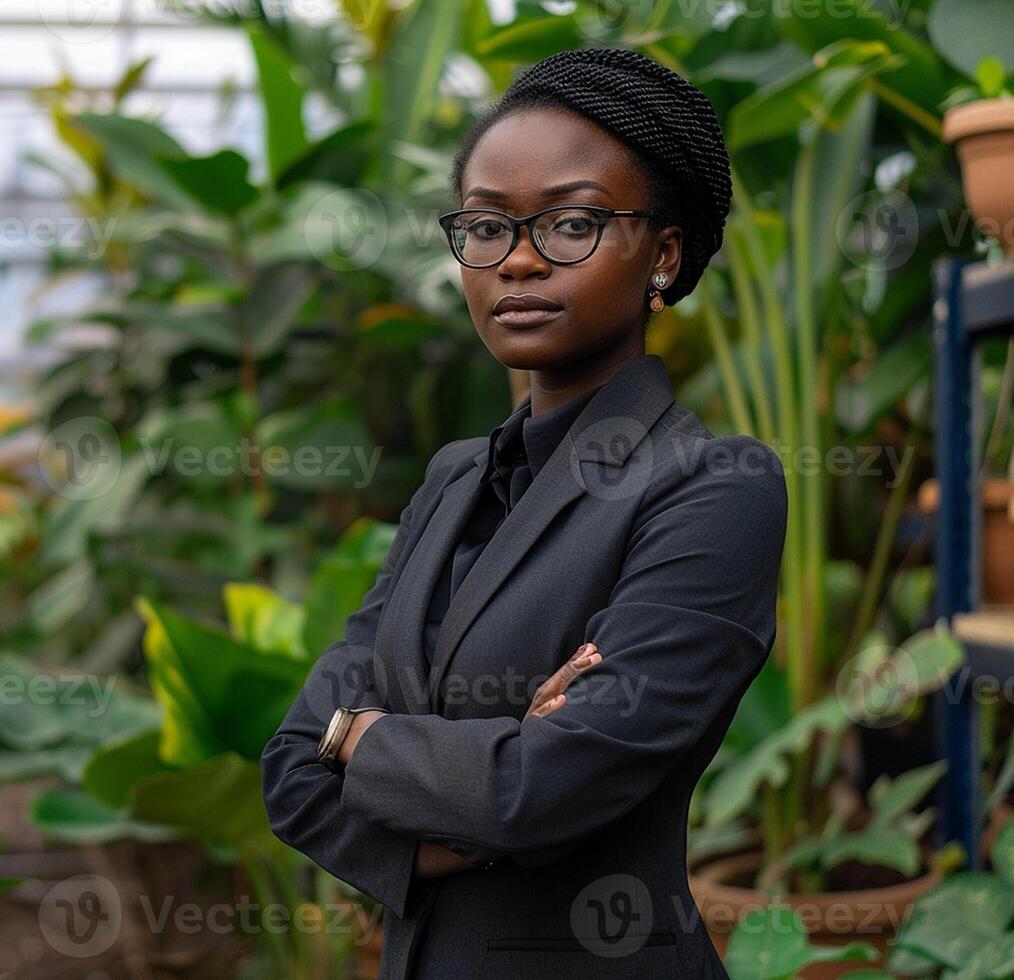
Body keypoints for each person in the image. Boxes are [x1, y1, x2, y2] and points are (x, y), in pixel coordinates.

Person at [262, 47, 787, 979]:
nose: (521, 260)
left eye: (574, 224)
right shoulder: (453, 482)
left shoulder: (712, 486)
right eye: (487, 228)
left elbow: (545, 787)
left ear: (663, 255)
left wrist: (367, 738)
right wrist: (459, 775)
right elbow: (296, 772)